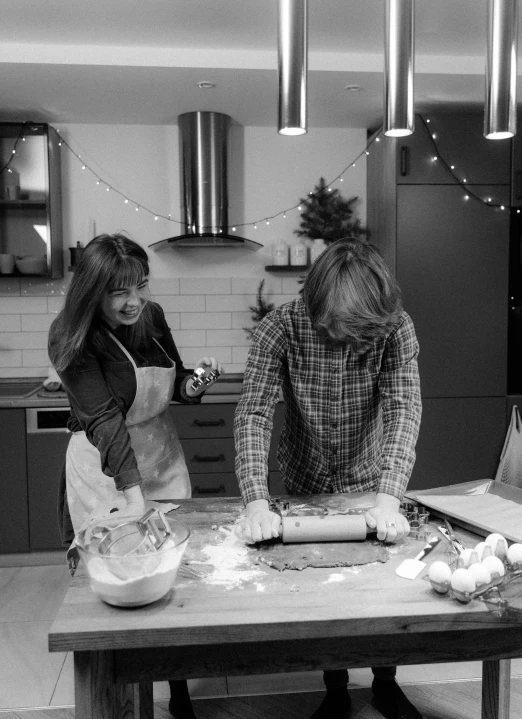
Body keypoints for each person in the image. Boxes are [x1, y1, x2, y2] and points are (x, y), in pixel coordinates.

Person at [234, 237, 423, 719]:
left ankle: (385, 682)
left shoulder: (393, 327)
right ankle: (335, 688)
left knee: (376, 587)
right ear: (316, 306)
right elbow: (254, 413)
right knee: (325, 586)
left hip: (368, 475)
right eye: (341, 328)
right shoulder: (280, 327)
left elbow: (404, 407)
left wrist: (389, 497)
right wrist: (257, 501)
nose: (350, 339)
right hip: (305, 477)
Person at [49, 232, 223, 719]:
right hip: (106, 470)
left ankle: (179, 691)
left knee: (170, 578)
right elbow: (104, 420)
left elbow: (180, 384)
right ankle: (117, 698)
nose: (134, 301)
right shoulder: (72, 337)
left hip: (161, 456)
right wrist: (132, 498)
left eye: (141, 286)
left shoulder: (151, 316)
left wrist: (202, 379)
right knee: (117, 581)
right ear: (92, 290)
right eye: (119, 291)